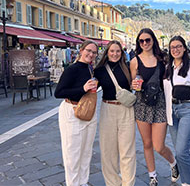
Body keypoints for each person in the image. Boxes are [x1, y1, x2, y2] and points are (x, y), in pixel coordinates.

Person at [130, 28, 179, 186]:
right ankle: (153, 176)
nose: (144, 43)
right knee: (147, 143)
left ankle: (173, 163)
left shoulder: (163, 59)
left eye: (147, 40)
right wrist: (134, 84)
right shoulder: (134, 61)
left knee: (159, 145)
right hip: (141, 104)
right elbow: (134, 83)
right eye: (141, 41)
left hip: (160, 104)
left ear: (153, 41)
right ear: (139, 43)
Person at [163, 36, 190, 186]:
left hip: (188, 110)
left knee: (182, 151)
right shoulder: (168, 68)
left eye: (178, 46)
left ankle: (189, 183)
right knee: (179, 150)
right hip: (172, 111)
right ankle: (182, 174)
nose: (175, 49)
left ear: (184, 48)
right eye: (172, 47)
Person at [54, 40, 99, 186]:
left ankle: (83, 182)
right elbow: (59, 92)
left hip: (87, 112)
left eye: (94, 52)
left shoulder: (90, 69)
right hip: (71, 112)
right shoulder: (71, 69)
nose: (91, 54)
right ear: (81, 50)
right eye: (88, 51)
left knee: (86, 152)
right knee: (72, 154)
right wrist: (83, 88)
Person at [94, 40, 136, 186]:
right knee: (108, 152)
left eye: (118, 51)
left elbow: (136, 82)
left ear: (122, 53)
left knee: (127, 151)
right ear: (107, 52)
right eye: (112, 51)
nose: (115, 54)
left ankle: (128, 184)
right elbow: (91, 87)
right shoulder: (99, 70)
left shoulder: (128, 67)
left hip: (126, 110)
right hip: (108, 109)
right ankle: (112, 183)